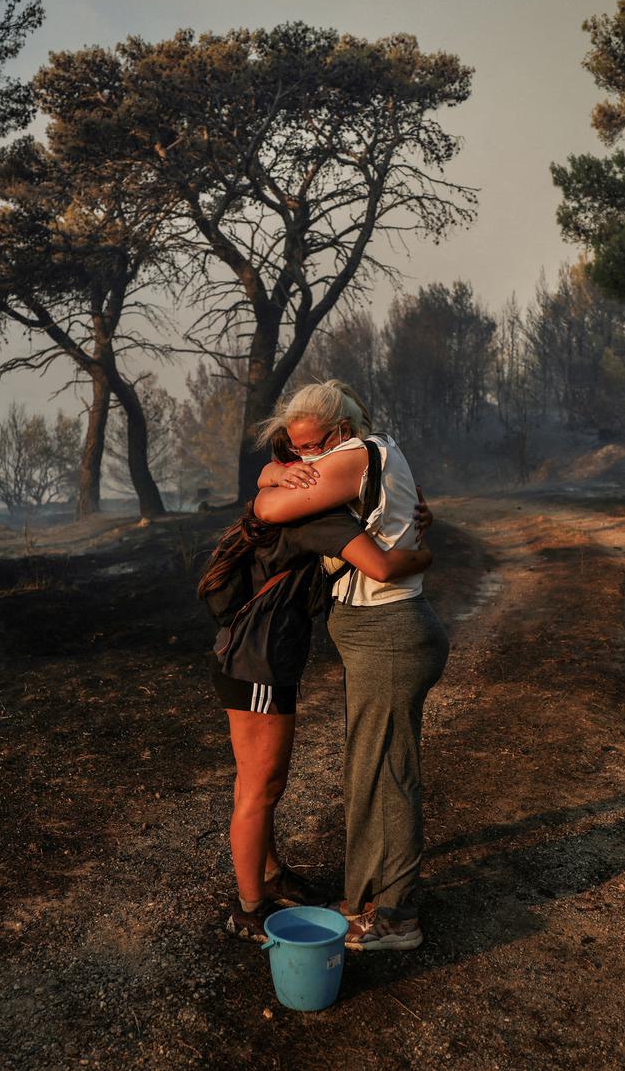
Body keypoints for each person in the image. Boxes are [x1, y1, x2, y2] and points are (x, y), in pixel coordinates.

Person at [253, 380, 449, 952]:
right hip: (383, 633)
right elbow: (276, 489)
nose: (303, 461)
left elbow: (269, 509)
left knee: (386, 772)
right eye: (294, 449)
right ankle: (366, 897)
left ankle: (394, 917)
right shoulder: (375, 454)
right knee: (369, 768)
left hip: (388, 633)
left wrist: (273, 482)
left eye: (310, 448)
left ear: (340, 431)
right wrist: (276, 471)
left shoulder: (355, 454)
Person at [202, 484, 434, 944]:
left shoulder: (303, 515)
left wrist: (416, 520)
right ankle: (249, 909)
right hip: (257, 668)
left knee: (257, 784)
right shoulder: (321, 520)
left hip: (254, 661)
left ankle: (268, 875)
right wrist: (424, 552)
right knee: (261, 789)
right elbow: (383, 568)